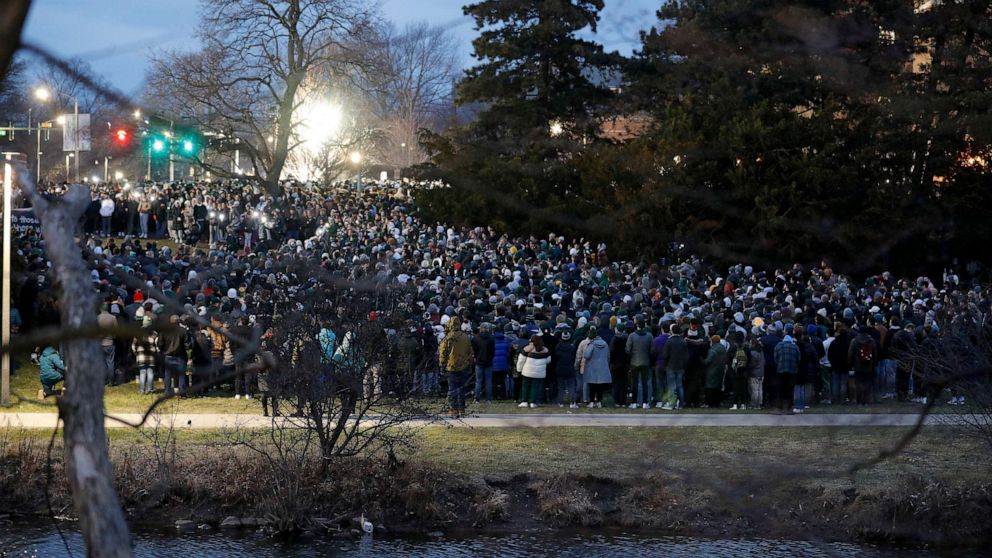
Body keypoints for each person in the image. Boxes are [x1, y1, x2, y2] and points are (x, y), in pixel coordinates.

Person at [438, 316, 474, 417]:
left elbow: (443, 353)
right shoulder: (465, 337)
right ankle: (462, 408)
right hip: (463, 365)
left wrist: (442, 364)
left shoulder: (448, 337)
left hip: (451, 366)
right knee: (462, 388)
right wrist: (469, 363)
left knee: (452, 388)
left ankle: (453, 408)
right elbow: (470, 352)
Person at [516, 331, 550, 408]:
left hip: (527, 371)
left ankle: (524, 401)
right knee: (535, 387)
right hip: (539, 373)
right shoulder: (545, 350)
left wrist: (519, 369)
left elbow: (521, 360)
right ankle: (533, 402)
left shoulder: (527, 349)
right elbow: (548, 360)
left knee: (525, 386)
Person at [626, 316, 654, 409]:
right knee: (645, 383)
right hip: (645, 362)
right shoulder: (649, 336)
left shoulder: (632, 336)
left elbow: (627, 349)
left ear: (636, 325)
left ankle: (634, 402)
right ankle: (645, 402)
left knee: (634, 383)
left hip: (634, 362)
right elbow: (652, 350)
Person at [159, 314, 190, 396]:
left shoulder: (164, 331)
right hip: (180, 355)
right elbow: (188, 344)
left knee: (168, 375)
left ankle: (167, 391)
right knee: (181, 375)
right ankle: (182, 393)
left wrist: (163, 351)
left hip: (168, 355)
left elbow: (160, 343)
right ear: (179, 321)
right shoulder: (183, 331)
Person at [581, 327, 611, 408]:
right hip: (602, 367)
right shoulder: (605, 344)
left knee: (592, 386)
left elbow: (586, 355)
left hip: (592, 368)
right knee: (600, 386)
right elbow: (608, 356)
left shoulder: (592, 344)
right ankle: (599, 401)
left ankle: (591, 401)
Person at [848, 325, 878, 405]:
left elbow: (850, 354)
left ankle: (859, 401)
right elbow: (875, 354)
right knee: (867, 383)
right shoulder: (872, 341)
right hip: (869, 365)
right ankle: (866, 400)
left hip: (857, 365)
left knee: (858, 383)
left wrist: (850, 363)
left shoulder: (854, 341)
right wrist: (874, 363)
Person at [660, 324, 688, 410]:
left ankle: (671, 404)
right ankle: (681, 404)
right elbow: (686, 356)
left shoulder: (669, 341)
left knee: (672, 386)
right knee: (680, 385)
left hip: (671, 366)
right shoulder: (683, 341)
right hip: (680, 366)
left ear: (672, 331)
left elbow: (665, 355)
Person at [132, 316, 160, 395]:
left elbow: (133, 346)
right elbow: (157, 346)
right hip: (151, 356)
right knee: (150, 373)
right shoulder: (154, 333)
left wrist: (136, 353)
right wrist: (156, 353)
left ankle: (142, 391)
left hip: (141, 356)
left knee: (142, 373)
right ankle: (150, 390)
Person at [774, 332, 800, 413]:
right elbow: (798, 359)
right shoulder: (795, 347)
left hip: (780, 370)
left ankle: (779, 408)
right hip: (792, 371)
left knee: (780, 389)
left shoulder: (778, 346)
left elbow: (775, 358)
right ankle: (789, 408)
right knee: (790, 389)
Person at [472, 323, 496, 403]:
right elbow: (493, 351)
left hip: (479, 362)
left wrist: (475, 357)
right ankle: (488, 398)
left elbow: (474, 350)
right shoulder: (491, 339)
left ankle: (477, 398)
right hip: (488, 362)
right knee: (488, 381)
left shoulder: (476, 338)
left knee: (478, 381)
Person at [701, 334, 728, 408]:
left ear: (712, 341)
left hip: (711, 370)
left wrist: (701, 360)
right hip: (721, 370)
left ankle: (709, 403)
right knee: (718, 387)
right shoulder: (723, 348)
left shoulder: (712, 350)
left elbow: (707, 361)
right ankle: (717, 402)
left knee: (709, 387)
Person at [554, 329, 578, 408]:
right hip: (570, 368)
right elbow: (574, 357)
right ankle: (572, 402)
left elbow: (555, 357)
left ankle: (560, 402)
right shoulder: (572, 347)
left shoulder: (558, 346)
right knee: (571, 386)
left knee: (561, 387)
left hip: (560, 368)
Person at [97, 303, 118, 385]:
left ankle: (103, 379)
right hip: (110, 342)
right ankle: (111, 380)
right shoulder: (113, 318)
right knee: (110, 362)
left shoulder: (97, 318)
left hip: (100, 343)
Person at [746, 335, 765, 409]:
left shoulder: (753, 353)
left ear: (753, 344)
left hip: (754, 374)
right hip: (761, 373)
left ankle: (754, 404)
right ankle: (759, 403)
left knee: (754, 390)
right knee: (760, 389)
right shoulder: (761, 352)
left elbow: (752, 364)